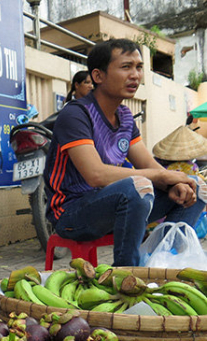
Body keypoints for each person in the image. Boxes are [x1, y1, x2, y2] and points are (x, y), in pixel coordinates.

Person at [43, 39, 207, 266]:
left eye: (139, 67)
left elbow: (148, 163)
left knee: (196, 187)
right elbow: (96, 175)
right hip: (71, 214)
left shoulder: (126, 117)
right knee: (137, 186)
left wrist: (174, 182)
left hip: (116, 206)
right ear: (98, 76)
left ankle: (160, 264)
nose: (135, 75)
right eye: (125, 67)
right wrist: (161, 176)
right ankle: (125, 273)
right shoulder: (76, 114)